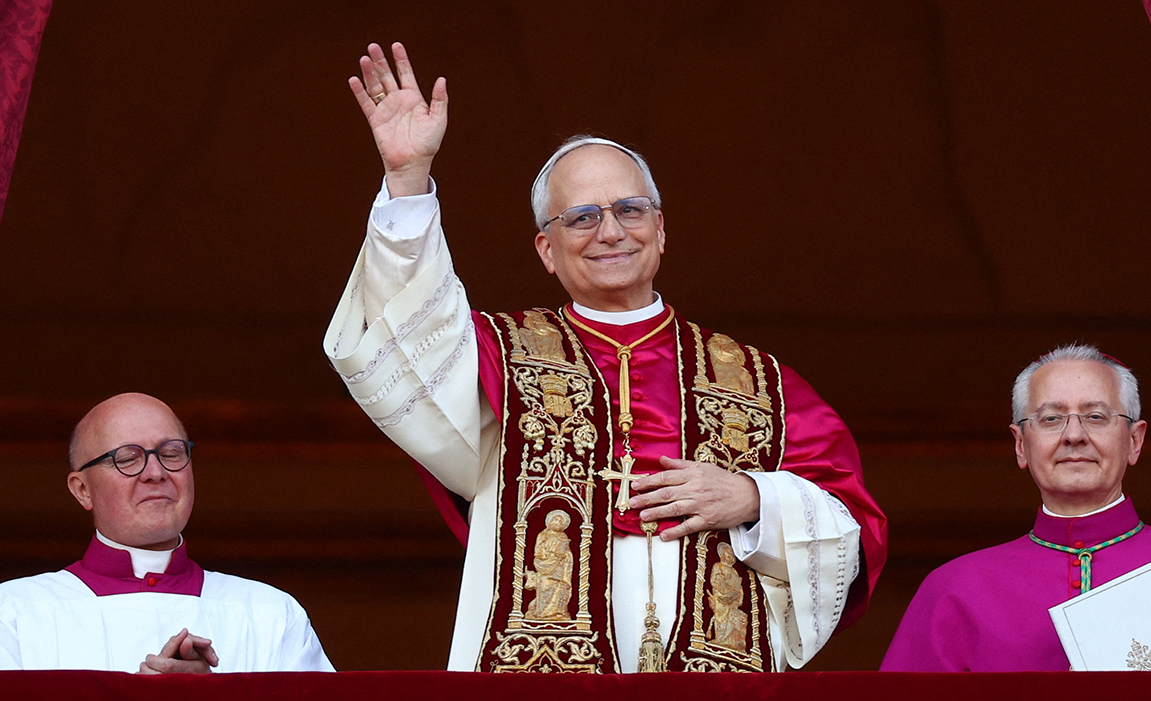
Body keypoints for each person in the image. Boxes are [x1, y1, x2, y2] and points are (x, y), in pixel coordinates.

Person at [324, 42, 888, 673]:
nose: (612, 232)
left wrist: (756, 499)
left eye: (629, 210)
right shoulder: (495, 360)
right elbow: (408, 331)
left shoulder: (761, 382)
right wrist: (407, 182)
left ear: (662, 229)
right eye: (582, 217)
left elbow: (855, 532)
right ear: (546, 249)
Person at [880, 344, 1151, 671]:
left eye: (1095, 416)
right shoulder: (955, 589)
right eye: (1051, 418)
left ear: (1135, 441)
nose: (1074, 435)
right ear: (1021, 444)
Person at [0, 393, 334, 673]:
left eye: (171, 453)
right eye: (128, 459)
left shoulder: (269, 614)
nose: (156, 472)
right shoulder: (14, 615)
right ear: (82, 490)